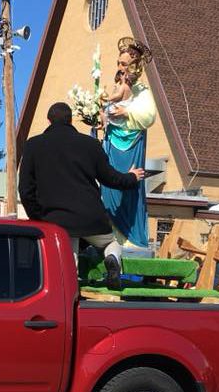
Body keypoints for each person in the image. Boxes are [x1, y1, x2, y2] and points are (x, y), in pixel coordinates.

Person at [20, 101, 144, 289]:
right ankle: (112, 258)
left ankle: (70, 298)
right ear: (71, 120)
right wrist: (131, 177)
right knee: (110, 243)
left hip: (56, 220)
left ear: (48, 121)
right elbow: (110, 178)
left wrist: (38, 217)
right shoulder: (90, 144)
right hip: (91, 218)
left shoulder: (33, 146)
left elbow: (25, 190)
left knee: (68, 266)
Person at [99, 37, 157, 248]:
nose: (120, 67)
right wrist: (102, 117)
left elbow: (149, 116)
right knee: (109, 189)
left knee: (128, 189)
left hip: (130, 147)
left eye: (124, 64)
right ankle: (111, 239)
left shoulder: (141, 91)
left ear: (133, 67)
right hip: (112, 145)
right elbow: (107, 109)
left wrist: (127, 111)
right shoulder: (118, 86)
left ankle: (130, 240)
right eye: (119, 63)